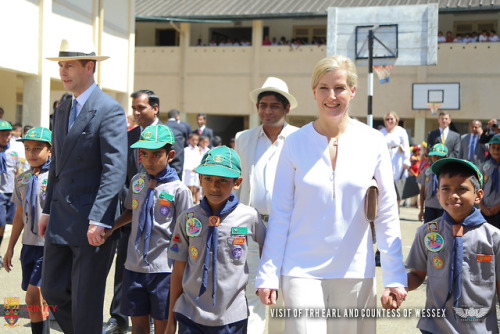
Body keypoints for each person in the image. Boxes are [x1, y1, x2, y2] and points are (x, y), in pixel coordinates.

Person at [255, 55, 407, 334]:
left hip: (355, 271)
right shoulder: (294, 143)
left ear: (353, 91)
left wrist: (395, 275)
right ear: (314, 92)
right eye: (324, 88)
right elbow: (281, 215)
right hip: (300, 269)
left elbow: (386, 212)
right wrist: (268, 273)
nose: (332, 96)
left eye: (339, 88)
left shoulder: (373, 141)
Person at [39, 37, 128, 334]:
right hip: (60, 218)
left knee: (85, 301)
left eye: (69, 66)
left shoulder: (110, 109)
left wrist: (100, 218)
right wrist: (47, 210)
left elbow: (114, 170)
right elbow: (57, 167)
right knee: (51, 291)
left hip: (92, 222)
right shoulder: (63, 108)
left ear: (89, 67)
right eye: (61, 65)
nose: (63, 72)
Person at [166, 146, 267, 334]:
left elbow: (268, 245)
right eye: (208, 179)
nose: (214, 186)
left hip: (231, 317)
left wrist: (265, 279)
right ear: (199, 179)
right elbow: (178, 270)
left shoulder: (249, 216)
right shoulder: (187, 218)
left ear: (237, 182)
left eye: (223, 180)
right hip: (190, 314)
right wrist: (171, 319)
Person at [104, 124, 193, 334]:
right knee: (138, 326)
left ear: (170, 155)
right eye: (144, 154)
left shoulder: (179, 190)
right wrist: (112, 227)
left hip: (164, 270)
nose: (149, 160)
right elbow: (132, 211)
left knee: (163, 326)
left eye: (156, 155)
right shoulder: (137, 182)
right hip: (134, 267)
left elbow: (187, 232)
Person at [399, 158, 500, 333]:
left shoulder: (494, 238)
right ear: (438, 194)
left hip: (480, 328)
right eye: (446, 189)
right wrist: (397, 287)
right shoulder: (426, 233)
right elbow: (417, 274)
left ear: (478, 195)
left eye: (462, 189)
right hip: (435, 327)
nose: (453, 195)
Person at [234, 76, 298, 334]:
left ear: (286, 109)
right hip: (251, 226)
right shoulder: (243, 138)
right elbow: (237, 183)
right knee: (251, 294)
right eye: (263, 105)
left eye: (274, 106)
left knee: (284, 297)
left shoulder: (300, 138)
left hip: (290, 229)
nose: (267, 111)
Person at [3, 127, 52, 334]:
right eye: (27, 148)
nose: (31, 153)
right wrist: (10, 247)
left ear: (50, 151)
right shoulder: (22, 179)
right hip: (28, 246)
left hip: (48, 247)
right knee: (38, 302)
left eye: (37, 148)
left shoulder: (56, 178)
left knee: (32, 297)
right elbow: (18, 216)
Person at [0, 120, 27, 269]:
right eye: (3, 135)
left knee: (8, 224)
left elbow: (18, 170)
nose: (6, 137)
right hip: (0, 193)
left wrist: (20, 188)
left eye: (8, 134)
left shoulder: (14, 149)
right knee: (1, 222)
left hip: (11, 191)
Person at [417, 144, 448, 223]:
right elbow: (422, 192)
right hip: (429, 207)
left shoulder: (448, 173)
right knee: (430, 232)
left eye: (439, 157)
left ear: (446, 157)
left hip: (444, 208)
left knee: (443, 231)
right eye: (434, 156)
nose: (436, 159)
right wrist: (421, 210)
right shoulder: (426, 171)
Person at [380, 111, 411, 181]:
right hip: (386, 157)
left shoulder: (401, 131)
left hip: (398, 157)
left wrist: (406, 160)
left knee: (398, 180)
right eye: (387, 119)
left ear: (396, 120)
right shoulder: (381, 132)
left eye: (392, 119)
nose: (390, 121)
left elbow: (406, 146)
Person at [479, 134, 500, 229]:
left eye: (499, 148)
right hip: (485, 209)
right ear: (489, 149)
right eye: (494, 147)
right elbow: (479, 188)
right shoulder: (483, 167)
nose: (496, 150)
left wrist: (498, 207)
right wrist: (482, 207)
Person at [183, 133, 202, 204]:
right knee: (189, 186)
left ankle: (197, 201)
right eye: (193, 140)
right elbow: (186, 160)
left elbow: (199, 159)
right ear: (189, 140)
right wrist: (191, 168)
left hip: (196, 170)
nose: (194, 142)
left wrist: (197, 168)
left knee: (196, 187)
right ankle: (189, 201)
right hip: (189, 171)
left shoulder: (198, 149)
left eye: (196, 140)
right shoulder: (186, 150)